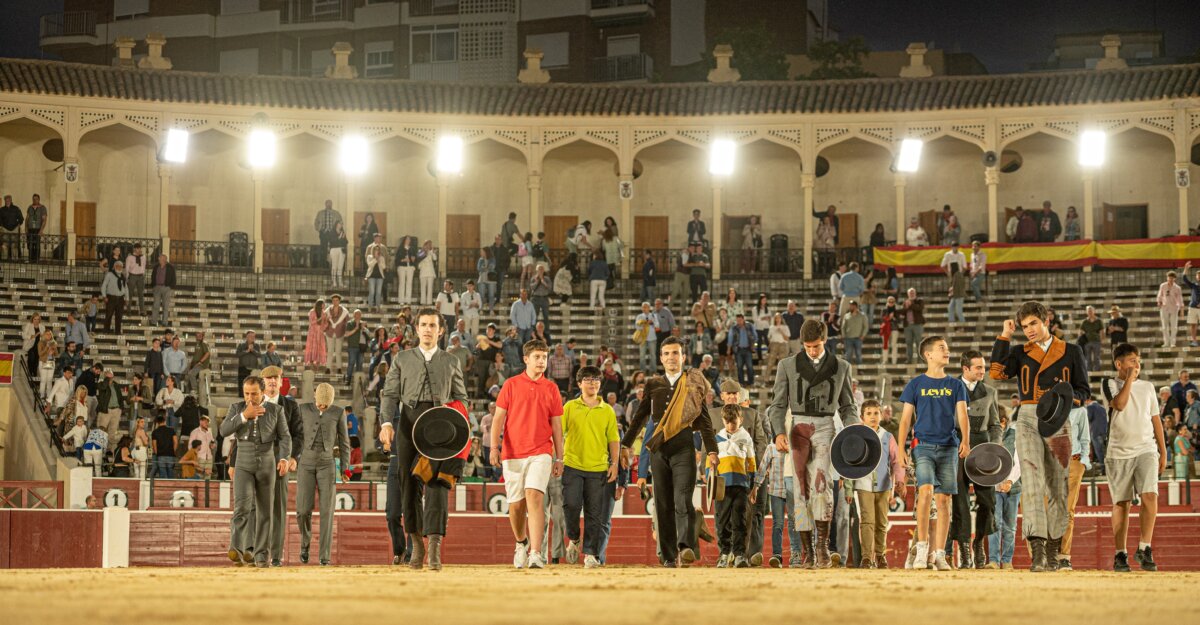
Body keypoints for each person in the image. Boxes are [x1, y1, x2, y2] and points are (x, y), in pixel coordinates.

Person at [989, 300, 1091, 571]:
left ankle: (1053, 550)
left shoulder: (1071, 350)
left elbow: (1084, 390)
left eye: (1033, 323)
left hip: (1059, 418)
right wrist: (1005, 336)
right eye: (1024, 327)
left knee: (1057, 487)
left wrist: (1067, 399)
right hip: (1027, 418)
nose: (1029, 330)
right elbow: (996, 373)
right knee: (1032, 485)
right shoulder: (1019, 351)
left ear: (1046, 320)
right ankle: (1038, 554)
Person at [378, 308, 469, 570]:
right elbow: (390, 394)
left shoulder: (451, 361)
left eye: (433, 325)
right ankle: (417, 544)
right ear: (416, 329)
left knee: (438, 485)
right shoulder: (402, 359)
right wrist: (386, 423)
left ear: (441, 330)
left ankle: (436, 548)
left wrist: (452, 418)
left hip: (440, 424)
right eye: (423, 325)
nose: (428, 329)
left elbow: (462, 398)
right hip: (408, 423)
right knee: (407, 484)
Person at [766, 319, 859, 569]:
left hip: (826, 425)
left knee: (821, 484)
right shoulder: (787, 365)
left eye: (816, 346)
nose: (812, 351)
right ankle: (807, 550)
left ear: (825, 340)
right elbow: (777, 405)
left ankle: (822, 548)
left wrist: (853, 431)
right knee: (799, 489)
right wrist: (777, 433)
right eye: (807, 346)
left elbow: (848, 405)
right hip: (796, 426)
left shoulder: (841, 367)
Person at [619, 337, 718, 567]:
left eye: (676, 353)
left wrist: (711, 451)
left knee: (683, 498)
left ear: (683, 357)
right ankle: (668, 556)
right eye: (667, 354)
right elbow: (640, 417)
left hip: (684, 446)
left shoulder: (693, 383)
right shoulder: (653, 384)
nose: (672, 357)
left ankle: (685, 548)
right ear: (661, 358)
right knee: (662, 503)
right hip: (659, 449)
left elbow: (704, 421)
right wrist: (626, 444)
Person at [489, 339, 565, 570]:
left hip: (541, 452)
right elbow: (498, 419)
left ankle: (535, 552)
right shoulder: (511, 385)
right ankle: (520, 543)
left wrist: (559, 457)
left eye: (544, 357)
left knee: (535, 496)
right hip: (512, 453)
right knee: (516, 506)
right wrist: (494, 446)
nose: (542, 361)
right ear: (526, 359)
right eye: (537, 357)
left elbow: (557, 427)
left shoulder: (552, 388)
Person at [897, 336, 970, 571]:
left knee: (944, 499)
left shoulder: (956, 385)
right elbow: (906, 419)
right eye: (942, 349)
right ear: (928, 355)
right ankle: (921, 549)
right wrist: (900, 448)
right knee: (925, 491)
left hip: (949, 446)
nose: (947, 352)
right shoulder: (916, 384)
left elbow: (962, 416)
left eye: (947, 349)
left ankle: (940, 554)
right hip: (923, 446)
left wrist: (966, 440)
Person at [1102, 343, 1166, 572]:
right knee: (1122, 503)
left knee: (1150, 495)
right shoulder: (1109, 383)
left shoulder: (1148, 387)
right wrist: (1129, 378)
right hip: (1118, 452)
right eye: (1131, 360)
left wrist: (1163, 450)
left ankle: (1145, 547)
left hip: (1146, 449)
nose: (1137, 364)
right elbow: (1119, 404)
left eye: (1138, 360)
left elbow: (1156, 419)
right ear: (1118, 364)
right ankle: (1120, 554)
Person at [220, 376, 291, 568]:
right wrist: (244, 415)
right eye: (246, 393)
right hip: (243, 460)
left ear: (263, 393)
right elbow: (223, 430)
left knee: (265, 511)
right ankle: (236, 548)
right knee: (242, 506)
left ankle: (261, 556)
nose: (249, 398)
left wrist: (284, 458)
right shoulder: (236, 408)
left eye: (254, 394)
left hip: (267, 462)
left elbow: (285, 437)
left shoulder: (275, 410)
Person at [560, 365, 619, 569]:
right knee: (571, 505)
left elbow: (613, 439)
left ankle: (591, 554)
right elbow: (558, 435)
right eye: (588, 379)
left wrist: (614, 464)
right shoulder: (569, 407)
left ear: (600, 383)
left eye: (596, 379)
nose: (592, 382)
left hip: (599, 468)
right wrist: (557, 459)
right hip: (572, 465)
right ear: (579, 384)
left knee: (595, 513)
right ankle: (574, 538)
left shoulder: (608, 411)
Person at [948, 351, 1001, 569]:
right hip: (956, 446)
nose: (982, 371)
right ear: (965, 368)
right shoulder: (949, 390)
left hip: (983, 449)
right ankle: (964, 549)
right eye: (978, 367)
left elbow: (995, 425)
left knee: (988, 502)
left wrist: (995, 447)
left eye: (983, 367)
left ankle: (978, 543)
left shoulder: (990, 391)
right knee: (959, 502)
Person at [294, 383, 350, 566]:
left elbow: (344, 443)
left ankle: (324, 556)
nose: (323, 407)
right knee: (302, 510)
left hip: (327, 464)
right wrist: (291, 457)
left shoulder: (338, 412)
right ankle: (305, 544)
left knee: (327, 511)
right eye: (320, 403)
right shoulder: (302, 409)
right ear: (315, 397)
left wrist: (345, 469)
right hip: (306, 464)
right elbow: (294, 436)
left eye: (326, 404)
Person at [853, 399, 905, 569]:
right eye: (869, 413)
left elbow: (897, 461)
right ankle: (867, 557)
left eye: (876, 413)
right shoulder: (857, 436)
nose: (873, 417)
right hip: (863, 484)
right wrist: (848, 486)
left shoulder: (887, 437)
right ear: (862, 417)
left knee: (882, 522)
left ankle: (880, 555)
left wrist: (900, 480)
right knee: (867, 521)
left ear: (881, 416)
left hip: (884, 485)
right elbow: (848, 462)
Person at [714, 404, 756, 568]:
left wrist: (753, 486)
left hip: (741, 485)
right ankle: (724, 553)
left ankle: (739, 555)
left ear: (741, 419)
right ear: (723, 420)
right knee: (722, 521)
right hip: (721, 486)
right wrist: (710, 478)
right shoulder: (717, 438)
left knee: (740, 521)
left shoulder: (746, 437)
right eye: (728, 422)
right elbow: (710, 463)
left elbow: (752, 462)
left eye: (734, 422)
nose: (731, 425)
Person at [1055, 395, 1092, 570]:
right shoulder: (1048, 409)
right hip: (1052, 462)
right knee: (1050, 508)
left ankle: (1064, 556)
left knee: (1068, 510)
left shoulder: (1080, 412)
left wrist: (1083, 461)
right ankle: (1051, 552)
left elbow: (1085, 438)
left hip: (1074, 461)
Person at [986, 408, 1022, 569]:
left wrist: (1009, 481)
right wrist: (996, 482)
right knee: (995, 523)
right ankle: (994, 560)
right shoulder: (988, 437)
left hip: (1013, 486)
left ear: (1003, 421)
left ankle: (1007, 560)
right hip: (994, 487)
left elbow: (1019, 461)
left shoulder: (1015, 435)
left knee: (1010, 525)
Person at [726, 314, 757, 388]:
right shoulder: (734, 328)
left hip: (748, 349)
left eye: (740, 320)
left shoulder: (750, 326)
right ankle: (741, 383)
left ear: (743, 319)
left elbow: (755, 336)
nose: (738, 322)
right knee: (739, 367)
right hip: (738, 349)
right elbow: (730, 338)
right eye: (737, 320)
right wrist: (729, 349)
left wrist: (754, 345)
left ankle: (751, 382)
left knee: (750, 366)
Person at [1157, 270, 1184, 348]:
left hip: (1174, 307)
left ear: (1174, 279)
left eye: (1172, 278)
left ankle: (1172, 343)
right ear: (1167, 278)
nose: (1170, 280)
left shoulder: (1177, 288)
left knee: (1173, 326)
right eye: (1169, 278)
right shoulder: (1163, 285)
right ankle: (1166, 342)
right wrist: (1159, 301)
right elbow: (1160, 294)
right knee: (1164, 326)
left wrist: (1182, 310)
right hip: (1164, 307)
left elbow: (1180, 298)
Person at [100, 261, 128, 334]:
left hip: (120, 298)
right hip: (111, 298)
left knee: (119, 316)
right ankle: (106, 330)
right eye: (118, 266)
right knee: (108, 315)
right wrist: (104, 296)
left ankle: (117, 331)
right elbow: (104, 285)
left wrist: (127, 298)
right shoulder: (109, 274)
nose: (119, 267)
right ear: (115, 267)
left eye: (121, 266)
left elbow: (126, 288)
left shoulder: (123, 276)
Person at [149, 253, 176, 328]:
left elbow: (173, 277)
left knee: (165, 306)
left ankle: (164, 322)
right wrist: (153, 285)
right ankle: (154, 321)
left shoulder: (170, 267)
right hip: (157, 287)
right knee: (156, 305)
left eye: (160, 258)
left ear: (164, 259)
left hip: (166, 288)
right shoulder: (156, 267)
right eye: (159, 258)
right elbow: (153, 275)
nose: (159, 259)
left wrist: (171, 287)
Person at [634, 302, 660, 374]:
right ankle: (643, 371)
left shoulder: (653, 315)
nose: (645, 308)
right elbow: (636, 326)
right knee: (642, 356)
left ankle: (653, 371)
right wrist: (643, 324)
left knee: (653, 356)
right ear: (642, 308)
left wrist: (652, 322)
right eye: (644, 307)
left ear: (649, 308)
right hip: (643, 338)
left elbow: (657, 326)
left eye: (646, 307)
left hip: (652, 338)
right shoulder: (639, 316)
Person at [902, 288, 925, 363]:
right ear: (908, 294)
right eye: (910, 293)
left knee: (919, 342)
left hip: (917, 325)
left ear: (915, 293)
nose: (911, 294)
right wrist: (906, 306)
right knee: (909, 342)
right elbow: (903, 312)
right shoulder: (905, 302)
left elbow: (919, 308)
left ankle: (920, 360)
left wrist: (911, 304)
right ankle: (909, 359)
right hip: (908, 325)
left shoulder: (919, 301)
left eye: (913, 292)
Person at [304, 299, 329, 370]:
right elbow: (312, 322)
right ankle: (312, 364)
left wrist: (327, 320)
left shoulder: (324, 313)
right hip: (313, 333)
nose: (324, 306)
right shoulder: (312, 312)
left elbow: (324, 326)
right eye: (323, 304)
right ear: (319, 305)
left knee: (320, 348)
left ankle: (317, 365)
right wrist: (321, 318)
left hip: (320, 333)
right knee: (312, 348)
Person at [840, 302, 867, 367]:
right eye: (850, 305)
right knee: (848, 354)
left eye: (851, 306)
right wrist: (843, 335)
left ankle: (860, 369)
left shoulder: (862, 315)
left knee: (858, 354)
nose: (850, 307)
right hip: (848, 338)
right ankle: (847, 370)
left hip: (858, 338)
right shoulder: (846, 315)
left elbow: (865, 326)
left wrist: (863, 335)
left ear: (855, 306)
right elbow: (843, 327)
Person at [0, 194, 23, 260]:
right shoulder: (1, 210)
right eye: (6, 200)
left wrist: (19, 224)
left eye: (9, 200)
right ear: (5, 201)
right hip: (5, 229)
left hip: (14, 229)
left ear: (11, 200)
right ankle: (4, 260)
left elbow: (21, 218)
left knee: (14, 245)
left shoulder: (16, 208)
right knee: (4, 245)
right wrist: (1, 226)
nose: (7, 201)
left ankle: (15, 260)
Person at [25, 193, 46, 263]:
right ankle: (30, 259)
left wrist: (41, 230)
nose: (35, 200)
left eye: (36, 199)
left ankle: (37, 260)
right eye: (33, 199)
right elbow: (27, 219)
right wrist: (26, 228)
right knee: (30, 245)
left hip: (38, 229)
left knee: (37, 245)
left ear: (39, 199)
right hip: (30, 229)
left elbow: (44, 220)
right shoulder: (29, 207)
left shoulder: (42, 208)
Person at [365, 242, 387, 309]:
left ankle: (378, 307)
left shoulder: (382, 258)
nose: (377, 251)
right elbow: (370, 265)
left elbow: (384, 267)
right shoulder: (369, 257)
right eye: (375, 249)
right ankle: (370, 306)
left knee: (378, 293)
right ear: (373, 250)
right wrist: (375, 259)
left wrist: (379, 260)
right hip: (371, 276)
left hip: (380, 277)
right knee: (372, 292)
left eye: (378, 249)